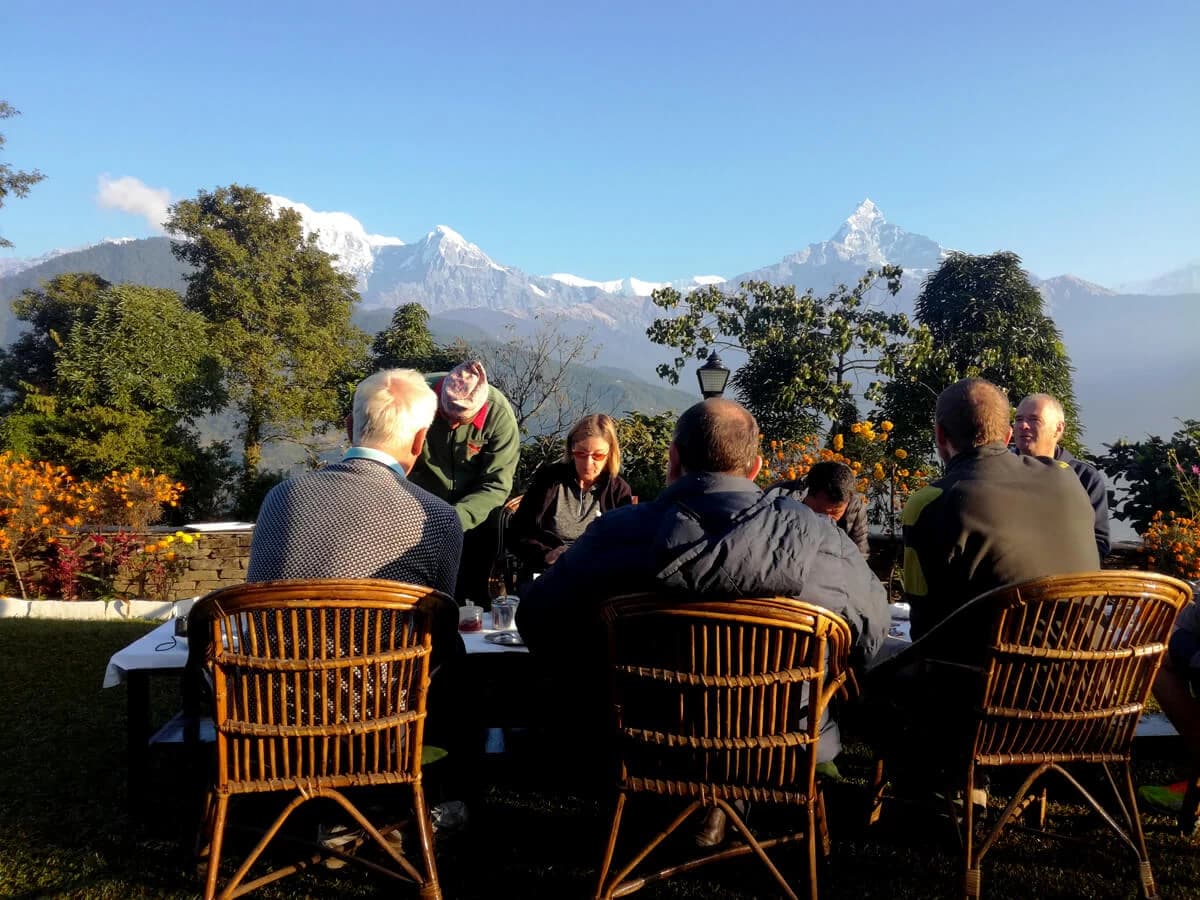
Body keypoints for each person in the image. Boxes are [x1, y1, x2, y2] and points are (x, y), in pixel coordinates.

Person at [518, 398, 889, 750]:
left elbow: (537, 618)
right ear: (756, 467)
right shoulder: (824, 542)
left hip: (644, 736)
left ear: (673, 459)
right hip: (782, 740)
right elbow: (870, 640)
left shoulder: (615, 535)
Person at [902, 378, 1100, 643]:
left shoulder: (931, 502)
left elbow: (925, 627)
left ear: (940, 435)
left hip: (997, 678)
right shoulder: (1067, 478)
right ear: (1007, 435)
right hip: (1092, 671)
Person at [408, 360, 520, 605]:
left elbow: (497, 483)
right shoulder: (415, 396)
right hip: (417, 507)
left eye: (462, 421)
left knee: (470, 592)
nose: (454, 425)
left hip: (475, 516)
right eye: (448, 418)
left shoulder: (497, 412)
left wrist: (455, 519)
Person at [508, 413, 634, 575]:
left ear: (610, 454)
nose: (588, 464)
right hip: (548, 571)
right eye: (581, 453)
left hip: (597, 575)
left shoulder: (618, 491)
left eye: (598, 455)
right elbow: (518, 533)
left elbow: (626, 544)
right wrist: (546, 555)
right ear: (571, 449)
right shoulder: (549, 480)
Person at [1014, 392, 1111, 557]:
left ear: (1058, 429)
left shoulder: (1084, 477)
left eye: (1034, 419)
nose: (1023, 425)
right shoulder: (1000, 469)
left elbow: (1100, 542)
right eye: (1018, 419)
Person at [770, 461, 869, 557]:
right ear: (807, 494)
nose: (827, 518)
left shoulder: (855, 507)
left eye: (835, 512)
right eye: (820, 511)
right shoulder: (778, 498)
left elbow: (859, 555)